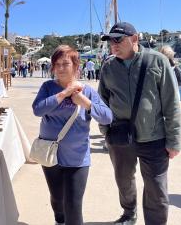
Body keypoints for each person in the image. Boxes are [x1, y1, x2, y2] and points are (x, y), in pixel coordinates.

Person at [98, 22, 181, 225]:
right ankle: (129, 214)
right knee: (124, 181)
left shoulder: (158, 61)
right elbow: (102, 102)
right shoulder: (108, 67)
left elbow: (172, 103)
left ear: (134, 39)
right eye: (110, 40)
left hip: (154, 137)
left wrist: (174, 140)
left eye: (118, 39)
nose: (113, 44)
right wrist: (106, 131)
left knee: (156, 189)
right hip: (119, 137)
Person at [32, 45, 112, 225]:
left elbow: (107, 117)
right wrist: (64, 93)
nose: (60, 68)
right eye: (57, 64)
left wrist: (85, 102)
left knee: (73, 205)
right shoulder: (47, 87)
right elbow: (37, 109)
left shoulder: (88, 91)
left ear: (76, 66)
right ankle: (59, 220)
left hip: (77, 157)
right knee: (57, 199)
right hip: (50, 156)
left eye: (65, 64)